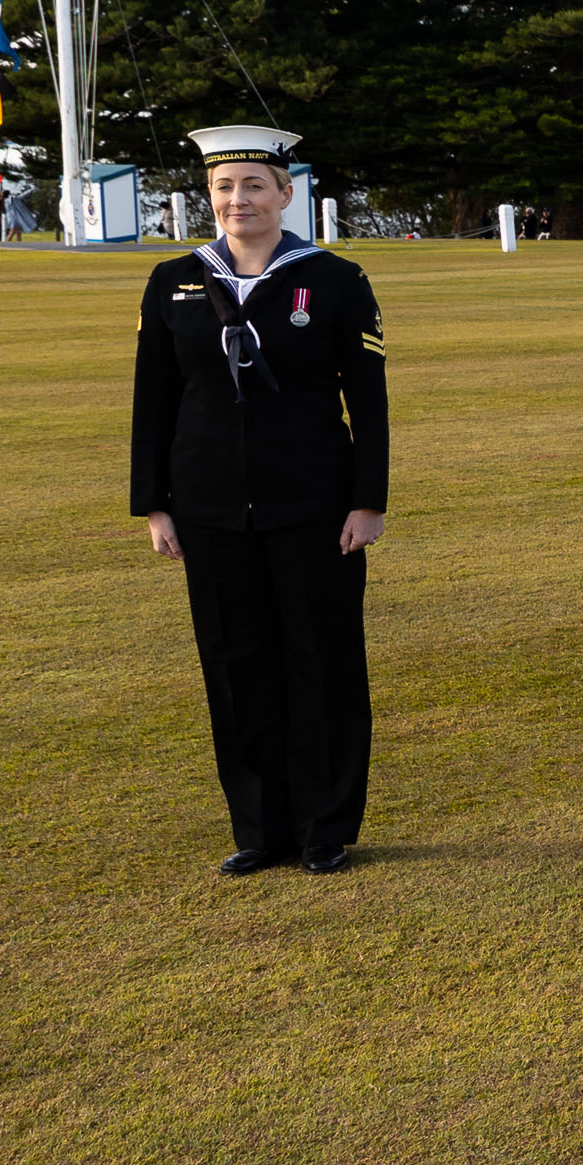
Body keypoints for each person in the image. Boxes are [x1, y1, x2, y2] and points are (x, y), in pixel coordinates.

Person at [132, 124, 389, 875]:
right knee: (236, 669)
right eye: (224, 186)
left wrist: (366, 500)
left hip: (315, 506)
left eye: (253, 184)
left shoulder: (337, 279)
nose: (237, 199)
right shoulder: (172, 279)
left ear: (285, 192)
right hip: (209, 511)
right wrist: (156, 504)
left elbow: (367, 403)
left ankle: (324, 827)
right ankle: (260, 829)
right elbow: (153, 401)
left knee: (324, 664)